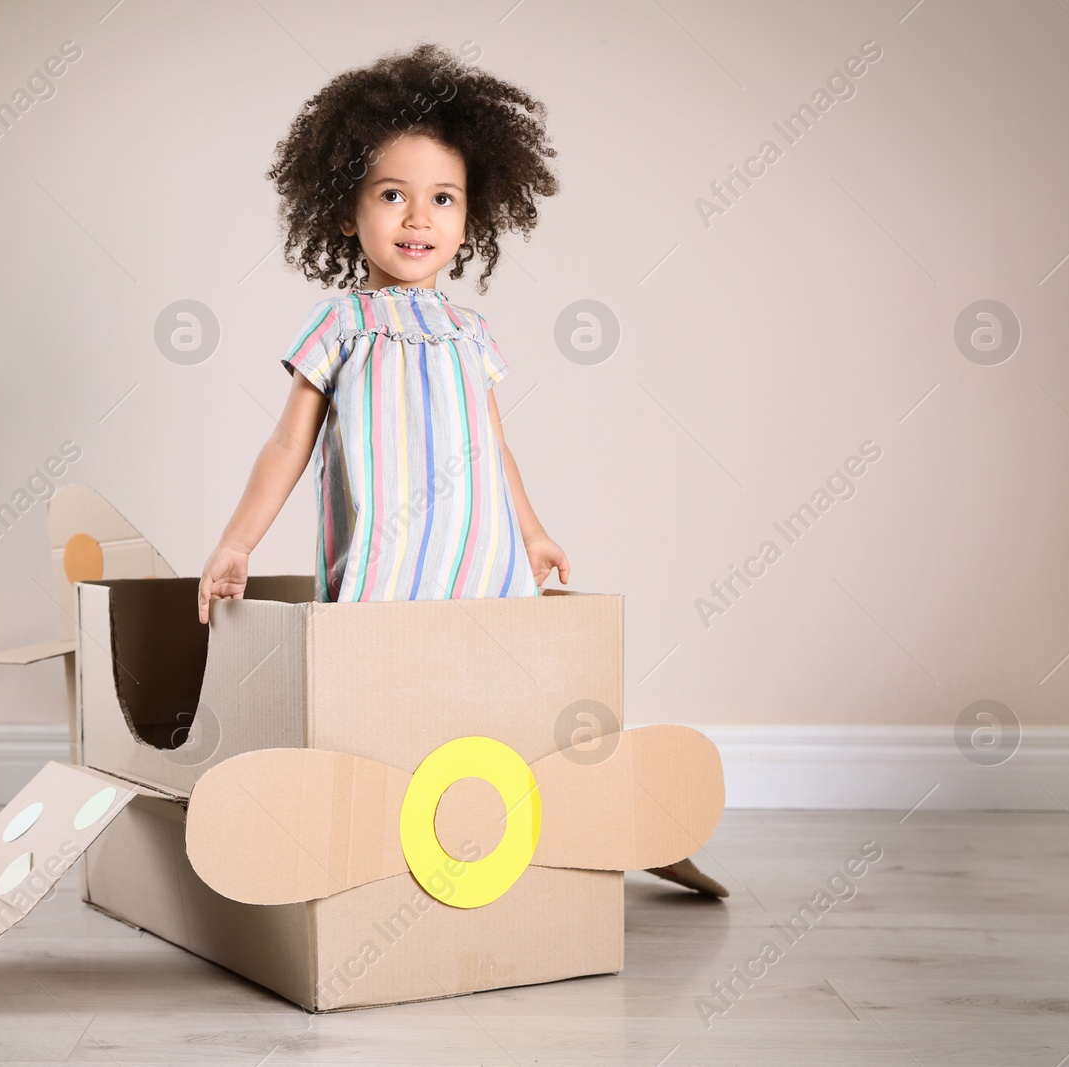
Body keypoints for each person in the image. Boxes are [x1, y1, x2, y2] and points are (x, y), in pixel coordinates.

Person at [196, 42, 724, 898]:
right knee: (378, 713)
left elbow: (494, 443)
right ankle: (360, 853)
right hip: (386, 569)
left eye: (442, 198)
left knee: (492, 706)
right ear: (344, 213)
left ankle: (508, 833)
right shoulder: (341, 327)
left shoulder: (469, 336)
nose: (418, 217)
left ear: (470, 219)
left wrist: (534, 528)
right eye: (392, 194)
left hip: (481, 563)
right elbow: (288, 444)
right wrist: (235, 541)